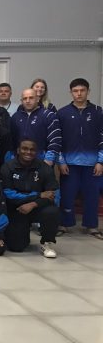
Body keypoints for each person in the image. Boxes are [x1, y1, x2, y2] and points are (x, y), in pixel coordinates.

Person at [57, 78, 103, 238]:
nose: (79, 94)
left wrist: (100, 161)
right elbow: (58, 140)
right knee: (67, 194)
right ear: (71, 92)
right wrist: (61, 161)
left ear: (88, 91)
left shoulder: (98, 112)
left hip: (92, 163)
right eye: (75, 91)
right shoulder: (62, 113)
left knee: (92, 195)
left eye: (82, 90)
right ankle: (64, 224)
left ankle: (91, 226)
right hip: (69, 163)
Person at [1, 139, 60, 258]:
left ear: (36, 152)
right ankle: (21, 234)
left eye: (32, 150)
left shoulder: (44, 168)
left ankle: (47, 243)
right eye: (25, 149)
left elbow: (52, 195)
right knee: (16, 247)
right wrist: (38, 195)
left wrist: (33, 204)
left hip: (37, 207)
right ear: (18, 150)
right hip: (17, 209)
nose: (28, 152)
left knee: (52, 211)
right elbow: (8, 194)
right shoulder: (8, 167)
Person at [10, 88, 61, 166]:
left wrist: (49, 159)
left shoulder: (48, 115)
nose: (27, 101)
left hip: (42, 161)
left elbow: (55, 139)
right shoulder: (15, 117)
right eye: (25, 98)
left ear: (37, 99)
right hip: (20, 161)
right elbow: (12, 140)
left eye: (31, 98)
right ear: (21, 101)